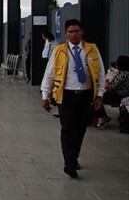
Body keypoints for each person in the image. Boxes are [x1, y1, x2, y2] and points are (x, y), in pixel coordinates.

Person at [40, 19, 106, 178]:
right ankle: (68, 162)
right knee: (67, 128)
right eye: (70, 32)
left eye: (77, 31)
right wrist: (45, 95)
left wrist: (99, 95)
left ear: (82, 32)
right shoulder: (59, 51)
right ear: (65, 34)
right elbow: (49, 74)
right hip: (66, 95)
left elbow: (100, 74)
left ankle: (74, 156)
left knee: (81, 128)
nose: (74, 34)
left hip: (85, 95)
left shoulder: (92, 50)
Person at [93, 55, 129, 129]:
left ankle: (101, 118)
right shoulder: (125, 73)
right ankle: (102, 116)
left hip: (120, 95)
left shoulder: (123, 74)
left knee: (97, 97)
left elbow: (112, 86)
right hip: (123, 95)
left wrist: (106, 85)